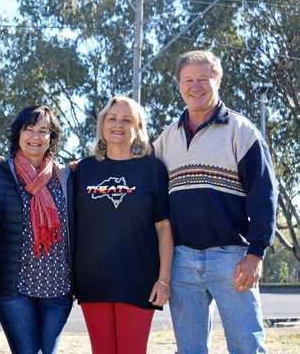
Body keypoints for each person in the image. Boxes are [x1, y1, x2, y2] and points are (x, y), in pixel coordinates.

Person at [154, 50, 278, 354]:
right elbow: (136, 174)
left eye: (203, 79)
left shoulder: (242, 131)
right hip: (182, 262)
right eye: (188, 80)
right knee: (190, 350)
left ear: (218, 80)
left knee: (247, 347)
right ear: (179, 84)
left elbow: (264, 195)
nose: (195, 86)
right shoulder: (167, 138)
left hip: (232, 258)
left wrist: (256, 253)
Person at [72, 96, 173, 354]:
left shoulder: (153, 169)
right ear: (102, 125)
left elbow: (163, 227)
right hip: (93, 279)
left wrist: (163, 280)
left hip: (139, 279)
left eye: (127, 120)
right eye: (112, 118)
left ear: (138, 127)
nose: (118, 124)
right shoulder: (83, 170)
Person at [0, 105, 73, 354]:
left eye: (43, 131)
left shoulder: (65, 176)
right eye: (29, 129)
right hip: (14, 289)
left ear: (51, 137)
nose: (35, 137)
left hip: (59, 288)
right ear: (18, 134)